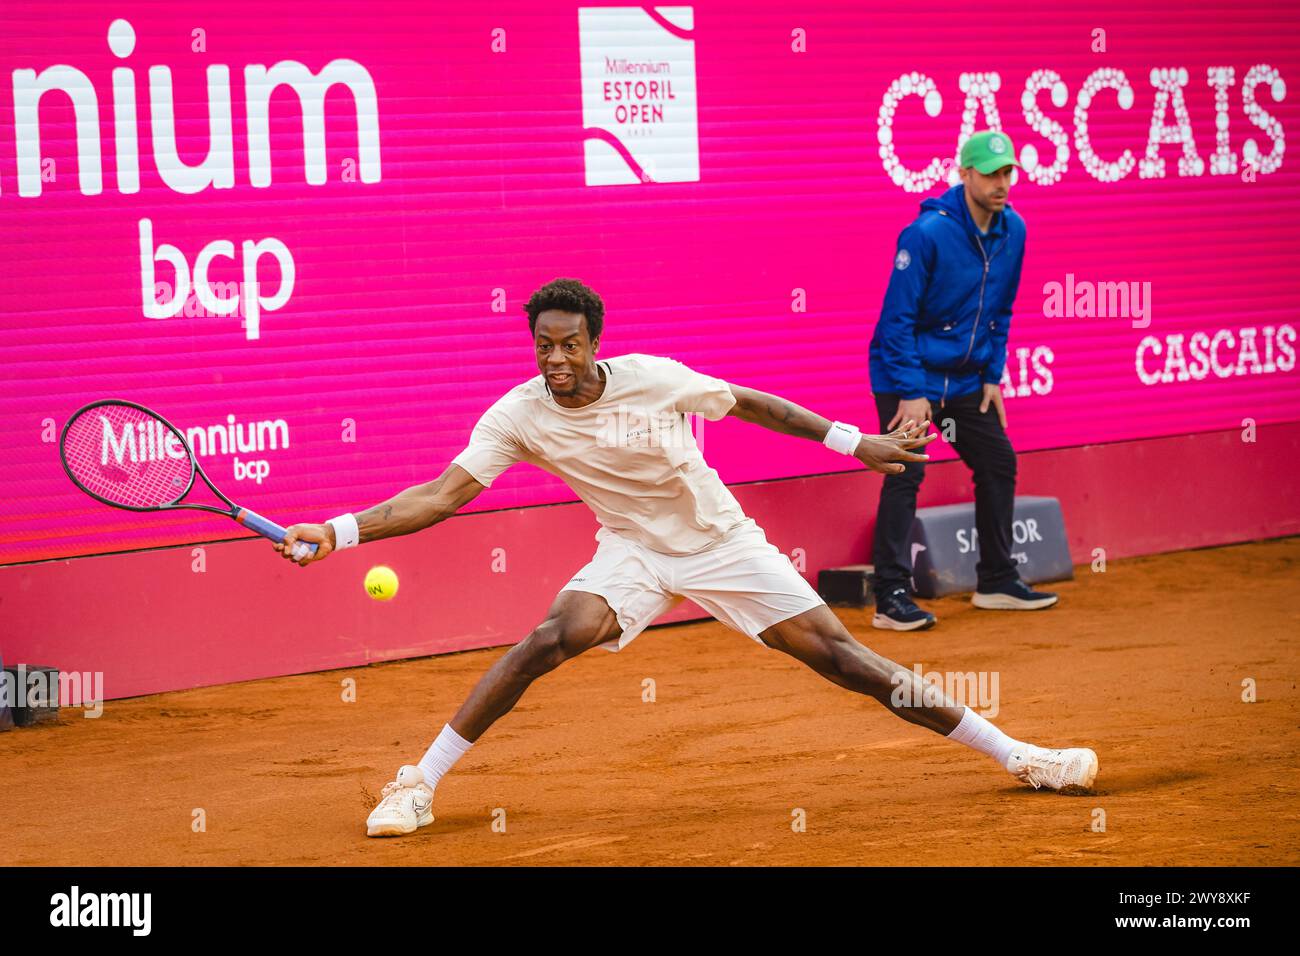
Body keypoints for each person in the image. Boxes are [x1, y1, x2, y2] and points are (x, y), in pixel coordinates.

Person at [275, 277, 1098, 838]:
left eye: (568, 345)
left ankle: (1021, 756)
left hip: (719, 542)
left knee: (849, 662)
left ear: (594, 342)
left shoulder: (654, 380)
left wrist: (856, 442)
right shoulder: (519, 415)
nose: (554, 360)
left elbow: (749, 403)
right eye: (542, 346)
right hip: (631, 552)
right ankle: (417, 783)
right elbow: (440, 496)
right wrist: (338, 531)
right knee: (547, 640)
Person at [868, 130, 1059, 632]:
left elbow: (1001, 310)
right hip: (907, 375)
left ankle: (996, 579)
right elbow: (896, 322)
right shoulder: (926, 234)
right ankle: (890, 596)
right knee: (904, 473)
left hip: (967, 378)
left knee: (999, 462)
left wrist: (992, 376)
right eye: (991, 173)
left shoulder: (1014, 230)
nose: (1001, 183)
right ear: (965, 173)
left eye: (1007, 173)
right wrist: (912, 392)